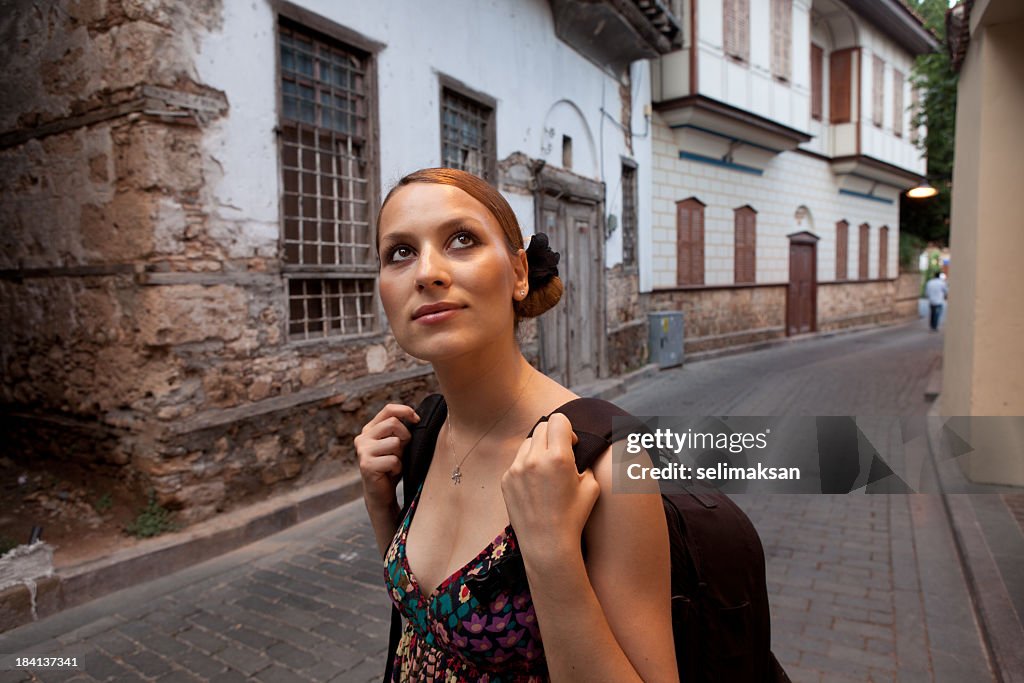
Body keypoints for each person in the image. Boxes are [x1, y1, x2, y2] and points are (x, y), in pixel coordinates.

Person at [355, 168, 677, 682]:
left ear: (519, 272)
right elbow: (426, 621)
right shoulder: (426, 432)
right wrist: (380, 508)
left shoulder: (605, 461)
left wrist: (550, 553)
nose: (427, 272)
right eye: (400, 252)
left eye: (462, 240)